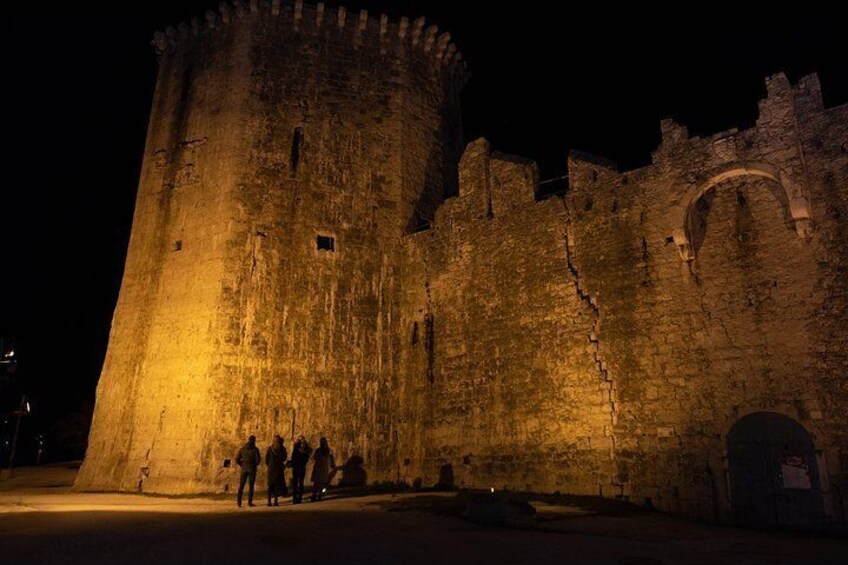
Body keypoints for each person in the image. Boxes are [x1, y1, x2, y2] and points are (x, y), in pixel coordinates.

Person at [235, 435, 261, 507]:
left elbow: (237, 459)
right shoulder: (255, 450)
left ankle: (239, 502)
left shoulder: (242, 449)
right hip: (252, 469)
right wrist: (254, 465)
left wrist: (242, 464)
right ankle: (249, 502)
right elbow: (258, 461)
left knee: (241, 486)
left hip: (244, 469)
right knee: (251, 486)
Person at [310, 437, 335, 502]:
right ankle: (317, 495)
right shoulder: (325, 450)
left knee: (318, 483)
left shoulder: (322, 450)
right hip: (321, 467)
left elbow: (315, 458)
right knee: (319, 483)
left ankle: (316, 495)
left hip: (320, 467)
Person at [265, 435, 288, 506]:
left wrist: (270, 465)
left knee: (270, 486)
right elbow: (284, 458)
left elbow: (266, 459)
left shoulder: (270, 448)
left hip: (271, 469)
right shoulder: (282, 449)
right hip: (278, 469)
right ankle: (275, 501)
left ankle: (269, 502)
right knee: (276, 486)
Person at [290, 435, 312, 504]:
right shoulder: (303, 449)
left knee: (297, 483)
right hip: (299, 467)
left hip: (299, 467)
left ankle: (297, 498)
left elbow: (294, 457)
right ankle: (297, 498)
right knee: (297, 483)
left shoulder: (298, 449)